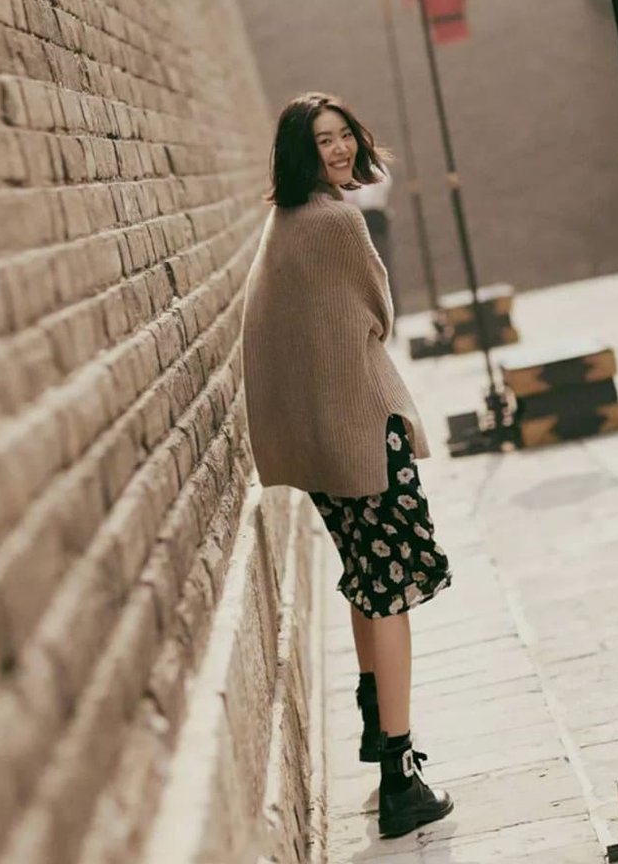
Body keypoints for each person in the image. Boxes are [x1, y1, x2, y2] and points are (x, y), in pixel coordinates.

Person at [241, 92, 453, 838]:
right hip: (364, 436)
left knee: (367, 578)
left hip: (325, 446)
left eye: (342, 137)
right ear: (300, 153)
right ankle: (400, 775)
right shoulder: (336, 222)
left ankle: (374, 727)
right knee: (391, 588)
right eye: (322, 141)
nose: (337, 150)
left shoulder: (285, 222)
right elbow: (378, 314)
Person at [343, 165, 401, 317]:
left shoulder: (372, 166)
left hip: (371, 219)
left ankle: (388, 314)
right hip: (354, 221)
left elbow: (372, 192)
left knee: (379, 269)